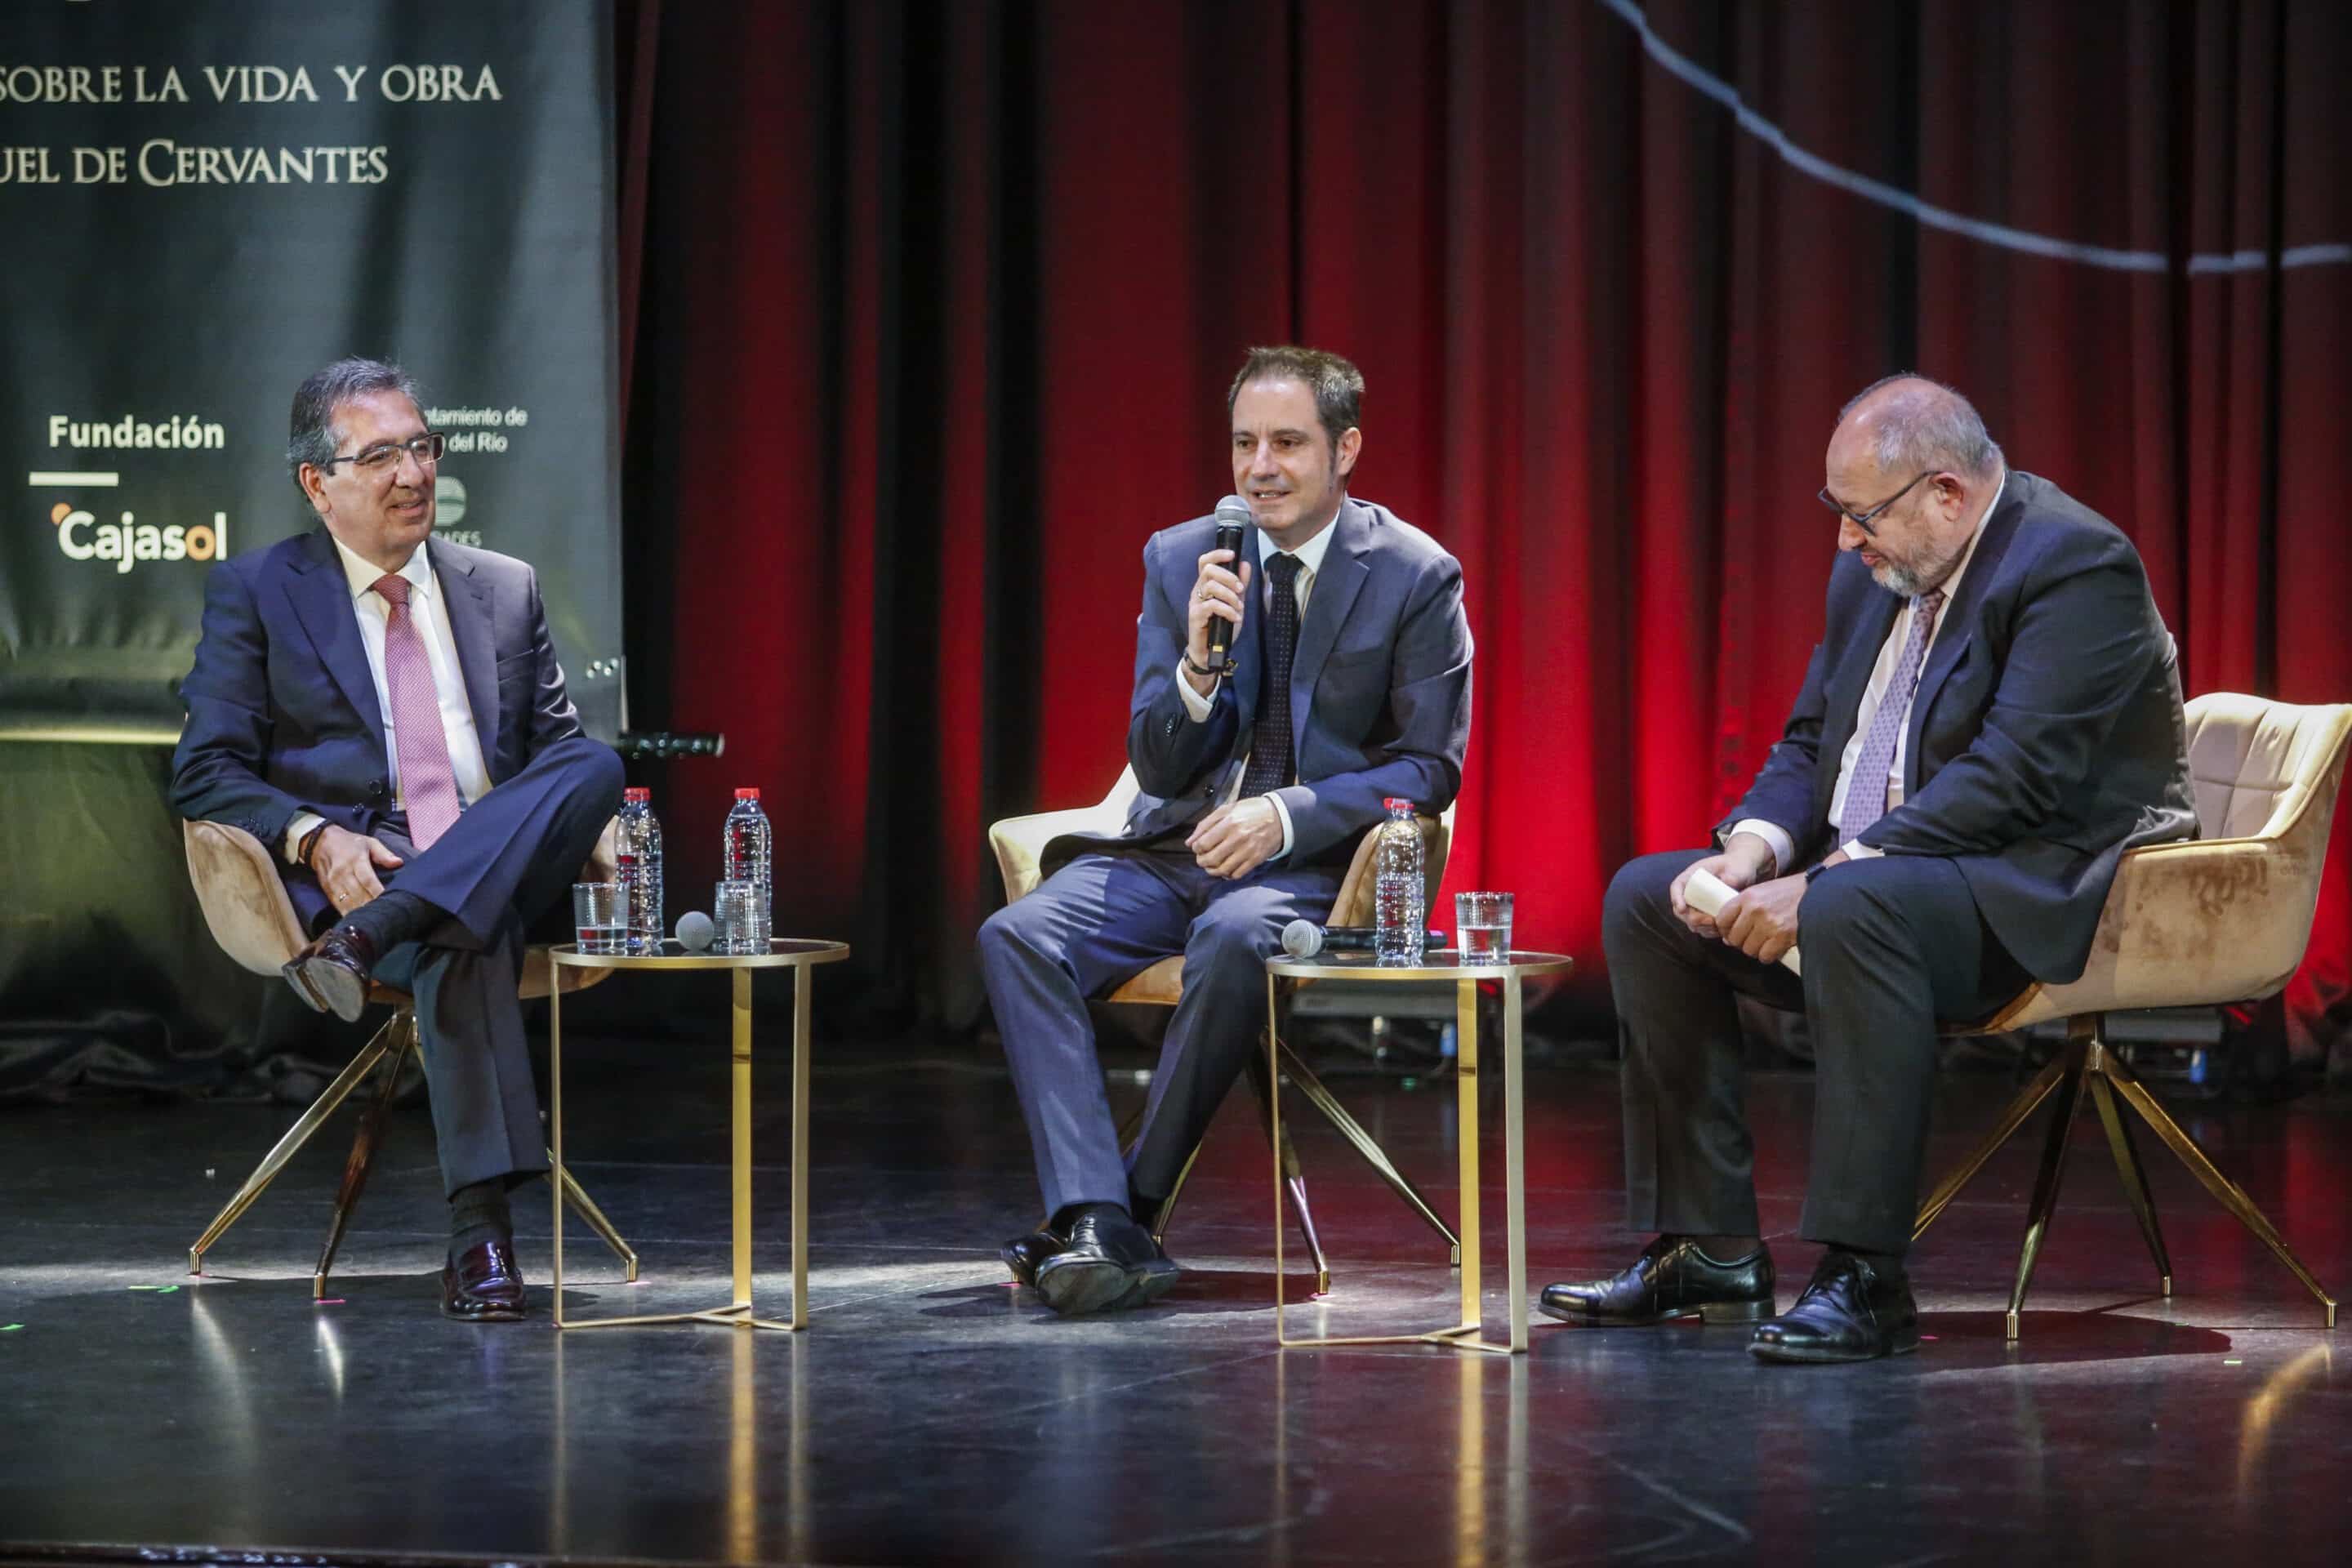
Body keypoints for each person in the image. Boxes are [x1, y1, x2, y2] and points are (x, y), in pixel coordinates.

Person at [1540, 375, 2194, 1363]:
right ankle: (1709, 1247)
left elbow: (2013, 780)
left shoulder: (2075, 565)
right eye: (1838, 514)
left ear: (1947, 494)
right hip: (1883, 879)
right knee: (1647, 899)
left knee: (1852, 905)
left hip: (2027, 886)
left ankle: (1864, 1275)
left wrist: (1826, 877)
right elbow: (1814, 743)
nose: (1846, 541)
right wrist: (1750, 852)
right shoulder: (1883, 567)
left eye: (1862, 516)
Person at [978, 345, 1474, 1315]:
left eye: (1288, 444)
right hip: (1174, 851)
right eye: (1246, 443)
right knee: (1020, 933)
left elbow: (1430, 768)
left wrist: (1286, 814)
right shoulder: (1183, 558)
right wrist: (1197, 677)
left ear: (1346, 451)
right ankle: (1092, 1211)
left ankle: (1131, 1209)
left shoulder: (1415, 574)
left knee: (1237, 934)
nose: (1261, 468)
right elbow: (1157, 766)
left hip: (1310, 870)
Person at [171, 357, 622, 1323]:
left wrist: (432, 881)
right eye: (380, 456)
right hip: (360, 864)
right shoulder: (260, 590)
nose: (413, 474)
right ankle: (481, 1235)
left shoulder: (504, 588)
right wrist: (307, 835)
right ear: (317, 483)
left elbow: (555, 768)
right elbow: (204, 768)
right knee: (470, 922)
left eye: (422, 447)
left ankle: (390, 928)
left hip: (477, 852)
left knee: (594, 767)